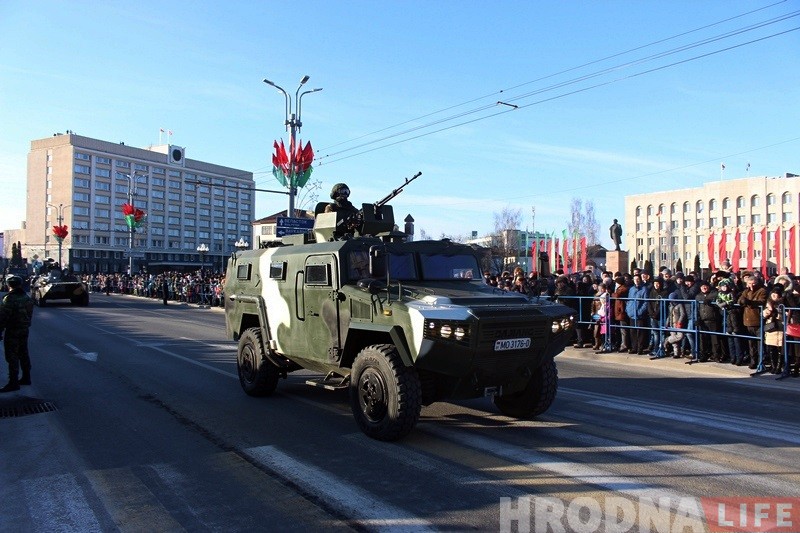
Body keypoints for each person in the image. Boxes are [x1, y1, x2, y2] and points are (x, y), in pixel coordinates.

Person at [0, 275, 34, 392]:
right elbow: (29, 313)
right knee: (23, 353)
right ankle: (26, 377)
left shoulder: (8, 299)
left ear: (9, 285)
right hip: (24, 329)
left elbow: (3, 316)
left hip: (13, 329)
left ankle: (13, 382)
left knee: (12, 355)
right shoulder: (26, 297)